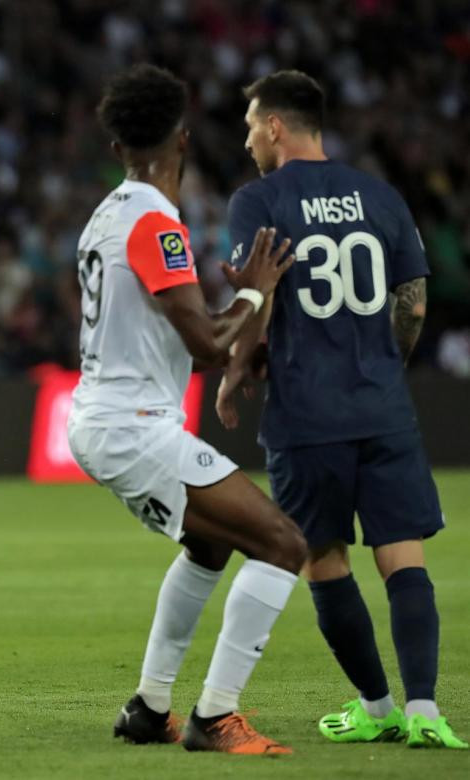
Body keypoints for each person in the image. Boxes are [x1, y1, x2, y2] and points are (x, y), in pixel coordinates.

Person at [216, 70, 467, 750]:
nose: (246, 143)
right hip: (382, 407)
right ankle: (423, 711)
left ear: (274, 126)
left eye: (249, 128)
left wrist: (240, 365)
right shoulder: (380, 196)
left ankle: (376, 705)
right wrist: (386, 366)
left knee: (324, 560)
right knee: (403, 557)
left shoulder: (257, 200)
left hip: (306, 414)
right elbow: (411, 301)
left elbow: (255, 300)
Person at [66, 64, 307, 755]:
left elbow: (177, 322)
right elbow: (204, 343)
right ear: (183, 138)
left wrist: (234, 309)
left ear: (117, 149)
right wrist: (256, 293)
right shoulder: (153, 221)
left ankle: (148, 707)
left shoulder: (106, 216)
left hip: (105, 418)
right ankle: (215, 716)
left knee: (208, 544)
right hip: (132, 425)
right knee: (282, 543)